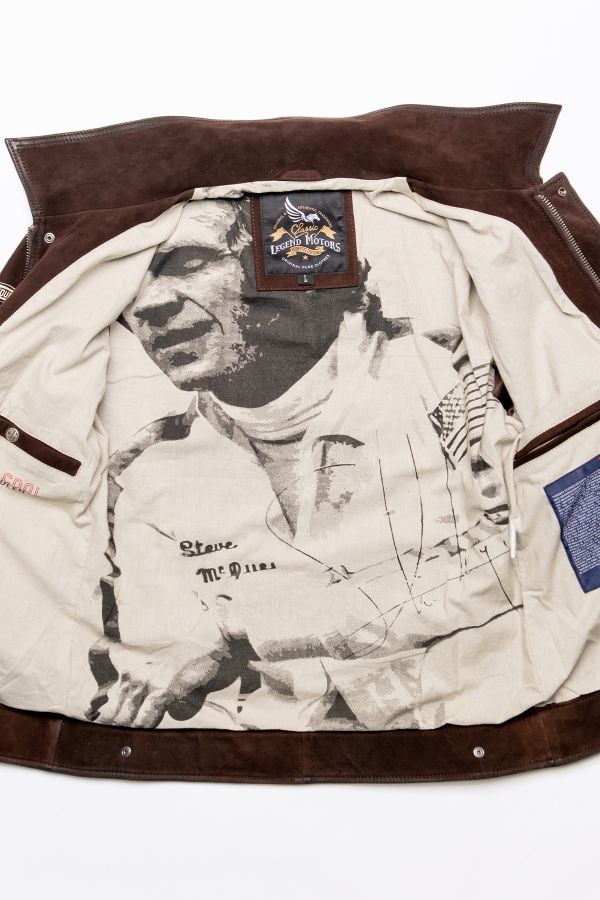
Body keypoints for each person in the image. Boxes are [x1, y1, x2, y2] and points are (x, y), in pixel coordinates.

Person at [85, 195, 517, 731]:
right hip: (267, 764)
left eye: (189, 263)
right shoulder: (144, 474)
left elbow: (533, 551)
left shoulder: (452, 383)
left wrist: (245, 627)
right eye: (126, 281)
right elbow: (168, 653)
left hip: (483, 733)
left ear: (284, 269)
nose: (148, 303)